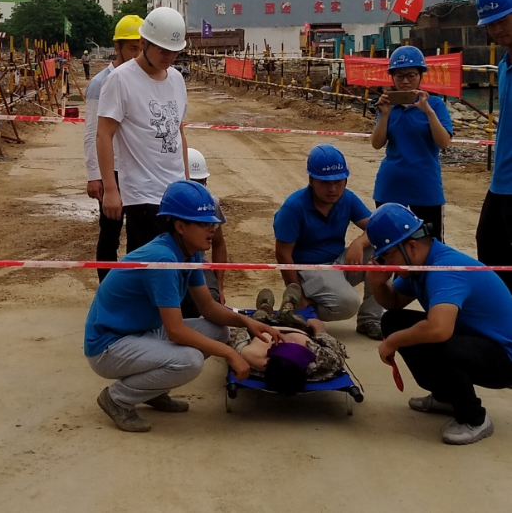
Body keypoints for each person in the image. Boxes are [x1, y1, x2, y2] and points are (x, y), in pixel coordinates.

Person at [84, 180, 283, 432]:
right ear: (180, 226)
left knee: (219, 331)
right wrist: (231, 354)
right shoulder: (164, 260)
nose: (212, 229)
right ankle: (117, 399)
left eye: (211, 222)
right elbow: (176, 331)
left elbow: (208, 307)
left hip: (138, 332)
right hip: (108, 345)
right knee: (189, 361)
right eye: (203, 224)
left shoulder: (190, 252)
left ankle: (150, 390)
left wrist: (249, 321)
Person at [367, 203, 512, 445]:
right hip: (481, 343)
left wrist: (392, 342)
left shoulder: (444, 269)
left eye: (386, 256)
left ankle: (474, 418)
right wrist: (377, 283)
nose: (384, 262)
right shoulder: (419, 265)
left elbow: (439, 329)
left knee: (437, 340)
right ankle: (446, 397)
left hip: (505, 358)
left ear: (411, 246)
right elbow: (393, 303)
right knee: (393, 321)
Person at [97, 6, 190, 254]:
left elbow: (179, 133)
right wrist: (110, 189)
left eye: (174, 52)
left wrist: (188, 183)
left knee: (182, 265)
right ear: (143, 42)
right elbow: (103, 134)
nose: (169, 57)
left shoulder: (176, 80)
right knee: (150, 269)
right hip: (143, 196)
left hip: (176, 193)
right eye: (162, 50)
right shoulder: (120, 80)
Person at [274, 144, 385, 339]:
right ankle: (299, 310)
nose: (333, 188)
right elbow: (283, 254)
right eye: (325, 183)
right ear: (311, 180)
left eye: (339, 181)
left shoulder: (347, 199)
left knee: (385, 250)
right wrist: (297, 294)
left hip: (337, 261)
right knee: (348, 304)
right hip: (309, 269)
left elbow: (376, 228)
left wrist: (359, 243)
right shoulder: (293, 208)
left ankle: (370, 320)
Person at [84, 15, 143, 281]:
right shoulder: (101, 83)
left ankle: (132, 288)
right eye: (132, 48)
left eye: (141, 47)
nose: (137, 54)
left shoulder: (144, 79)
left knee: (140, 234)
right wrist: (95, 176)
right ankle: (107, 290)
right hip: (114, 170)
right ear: (117, 48)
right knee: (110, 232)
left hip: (139, 169)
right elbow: (92, 134)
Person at [371, 46, 452, 241]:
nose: (405, 81)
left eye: (411, 75)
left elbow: (443, 143)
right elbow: (376, 143)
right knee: (389, 243)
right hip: (391, 186)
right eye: (399, 76)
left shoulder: (435, 105)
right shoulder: (389, 107)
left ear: (420, 76)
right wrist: (384, 114)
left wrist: (428, 112)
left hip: (425, 187)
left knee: (428, 244)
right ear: (392, 78)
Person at [475, 0, 512, 293]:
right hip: (501, 182)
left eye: (503, 21)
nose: (497, 30)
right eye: (491, 24)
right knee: (489, 249)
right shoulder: (504, 64)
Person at [181, 147, 228, 316]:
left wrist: (219, 286)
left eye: (202, 184)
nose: (199, 190)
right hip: (173, 268)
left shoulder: (210, 204)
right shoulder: (171, 206)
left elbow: (219, 244)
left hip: (199, 268)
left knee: (210, 304)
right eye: (194, 184)